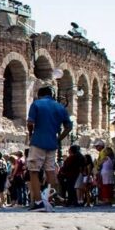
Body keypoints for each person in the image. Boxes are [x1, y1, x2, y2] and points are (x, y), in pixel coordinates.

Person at [26, 84, 73, 212]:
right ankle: (49, 198)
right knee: (50, 170)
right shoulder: (60, 107)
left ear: (40, 95)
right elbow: (69, 126)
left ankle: (38, 202)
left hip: (38, 141)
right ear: (52, 95)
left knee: (34, 171)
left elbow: (30, 122)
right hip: (53, 143)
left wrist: (31, 134)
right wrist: (59, 138)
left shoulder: (37, 104)